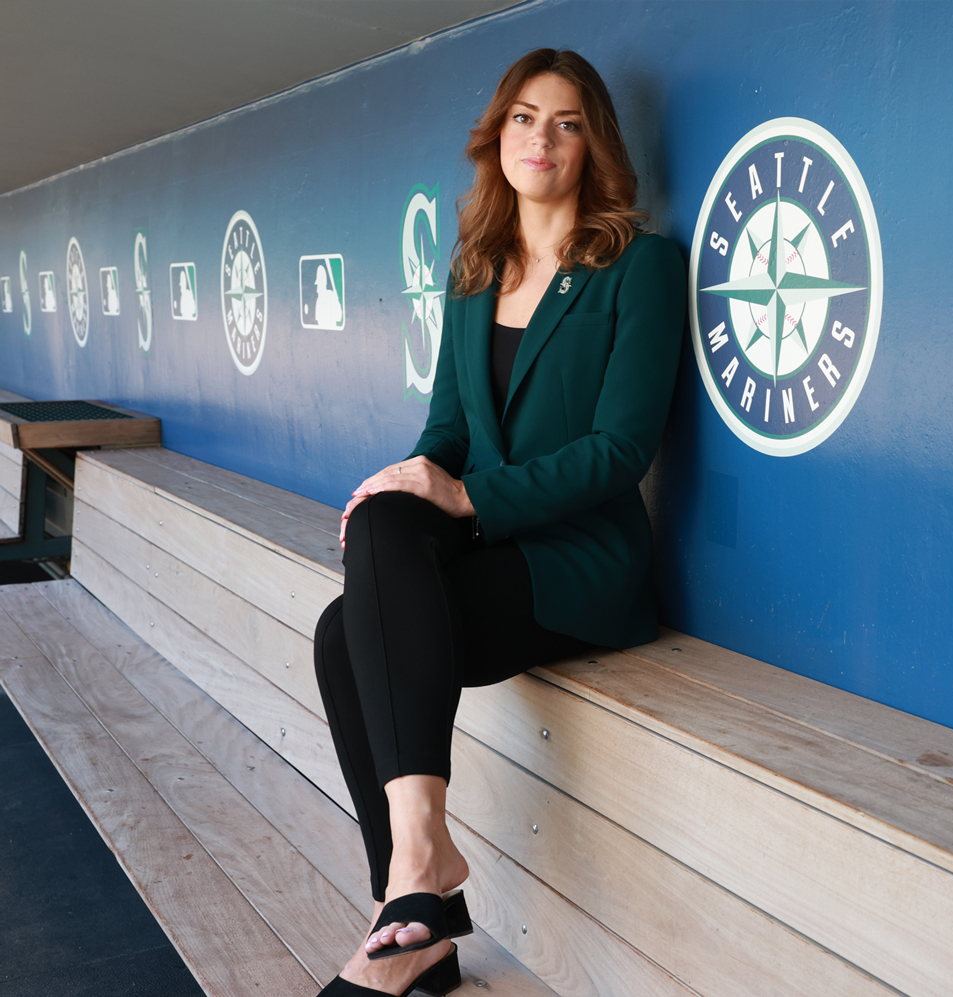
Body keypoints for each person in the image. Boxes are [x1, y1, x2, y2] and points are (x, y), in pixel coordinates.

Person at [312, 48, 685, 997]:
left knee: (349, 623)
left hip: (577, 560)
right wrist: (403, 483)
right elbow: (444, 432)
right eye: (524, 117)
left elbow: (620, 450)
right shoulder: (476, 270)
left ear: (592, 141)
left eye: (565, 122)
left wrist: (470, 498)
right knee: (367, 559)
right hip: (489, 544)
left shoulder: (637, 266)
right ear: (498, 136)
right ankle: (416, 899)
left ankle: (412, 908)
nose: (543, 138)